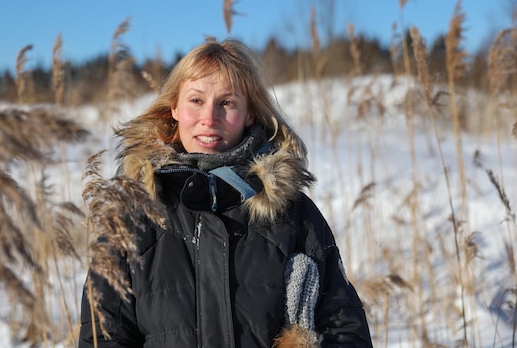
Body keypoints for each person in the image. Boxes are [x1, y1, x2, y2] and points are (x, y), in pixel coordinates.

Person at [78, 38, 373, 348]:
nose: (210, 117)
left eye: (227, 103)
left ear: (249, 114)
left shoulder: (293, 214)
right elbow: (104, 337)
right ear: (174, 107)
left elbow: (346, 331)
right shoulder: (134, 215)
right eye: (196, 100)